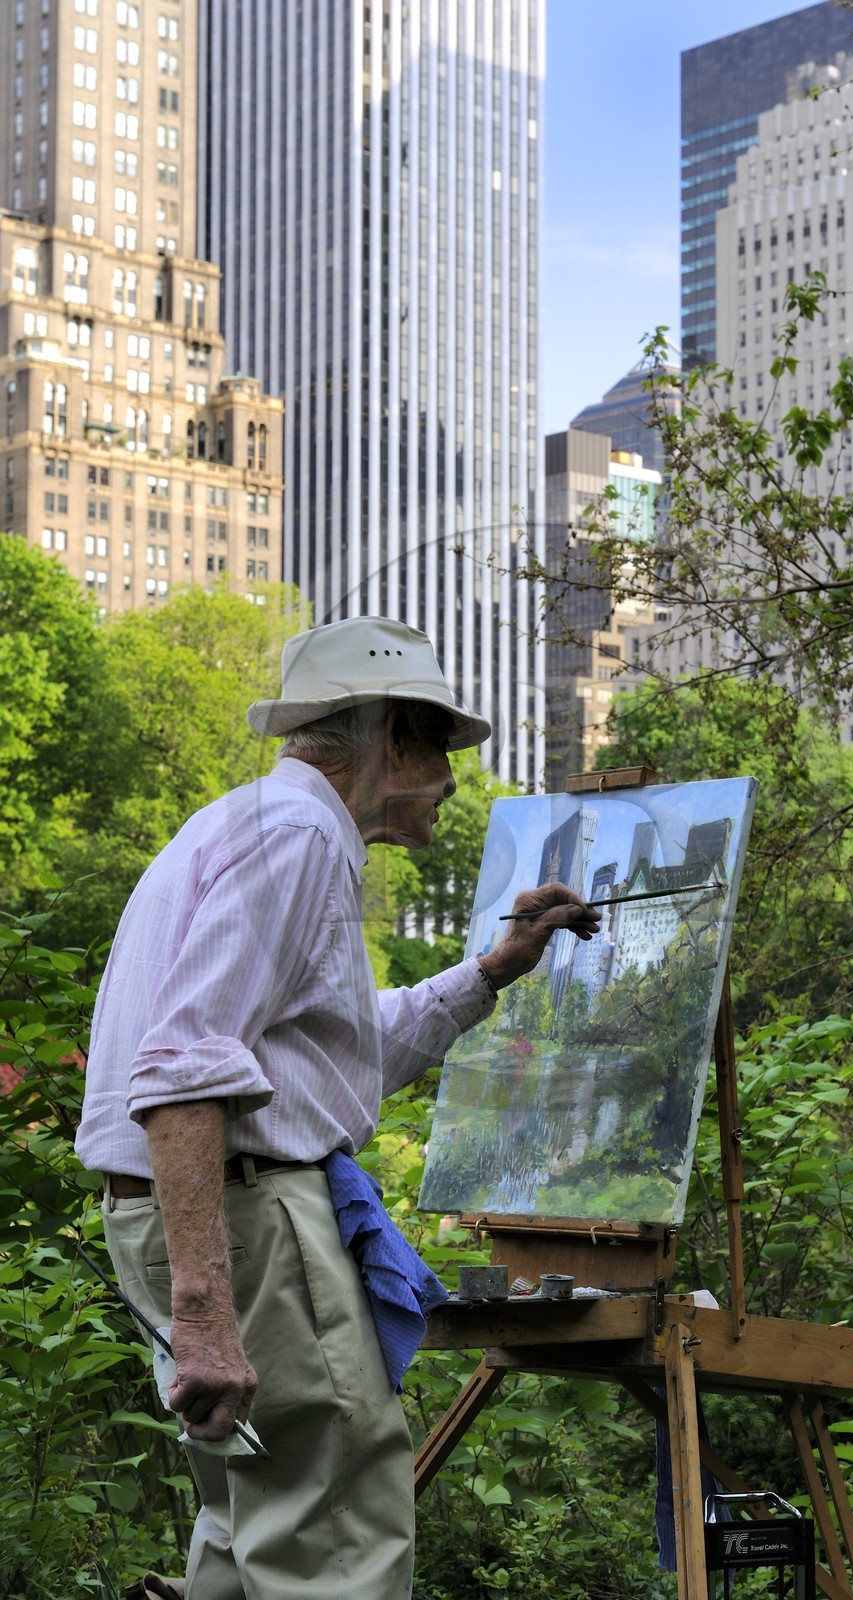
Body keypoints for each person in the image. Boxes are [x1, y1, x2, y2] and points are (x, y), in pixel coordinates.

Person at [75, 617, 598, 1600]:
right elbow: (184, 1068)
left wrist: (491, 971)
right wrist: (206, 1313)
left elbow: (323, 1056)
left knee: (249, 1532)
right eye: (439, 744)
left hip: (186, 1213)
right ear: (390, 736)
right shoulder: (301, 834)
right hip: (246, 1218)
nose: (451, 779)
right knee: (334, 1552)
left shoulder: (242, 824)